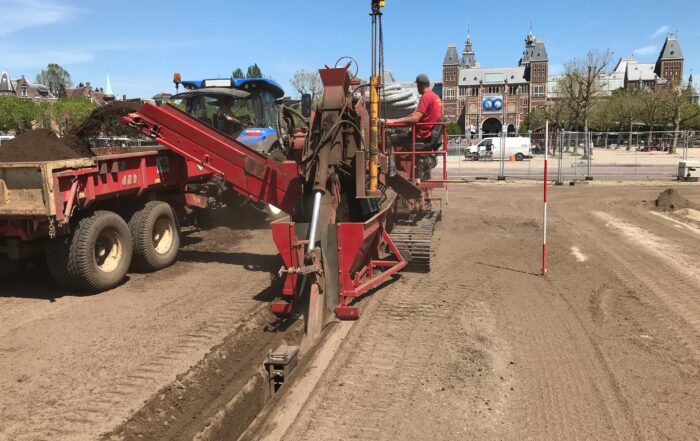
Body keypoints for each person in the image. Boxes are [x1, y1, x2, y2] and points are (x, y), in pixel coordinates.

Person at [385, 73, 442, 144]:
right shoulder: (435, 97)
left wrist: (394, 121)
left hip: (422, 136)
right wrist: (404, 119)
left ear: (419, 85)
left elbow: (415, 119)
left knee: (388, 140)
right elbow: (418, 114)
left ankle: (392, 155)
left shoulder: (426, 97)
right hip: (430, 135)